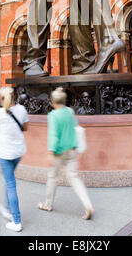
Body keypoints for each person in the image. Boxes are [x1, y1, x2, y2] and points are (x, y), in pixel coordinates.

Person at [38, 87, 94, 220]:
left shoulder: (53, 116)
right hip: (72, 149)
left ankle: (48, 204)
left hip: (59, 152)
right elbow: (76, 127)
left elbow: (53, 136)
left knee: (52, 176)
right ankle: (88, 205)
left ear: (53, 102)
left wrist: (50, 153)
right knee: (74, 178)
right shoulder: (70, 111)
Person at [0, 86, 28, 232]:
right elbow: (25, 128)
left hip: (5, 153)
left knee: (11, 184)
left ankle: (16, 220)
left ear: (1, 98)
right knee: (9, 179)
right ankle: (6, 207)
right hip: (18, 152)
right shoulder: (22, 110)